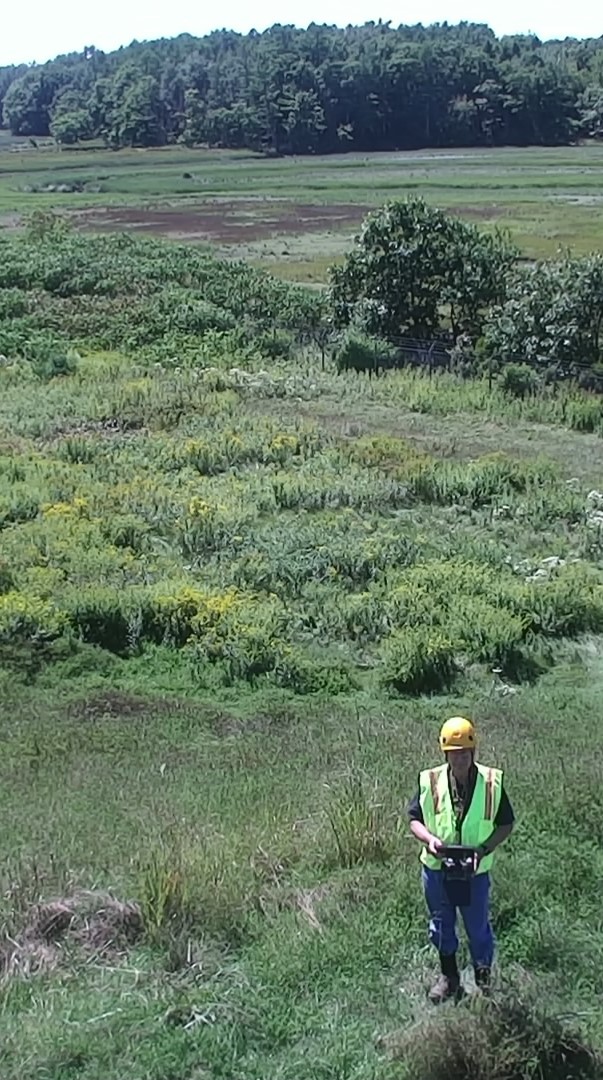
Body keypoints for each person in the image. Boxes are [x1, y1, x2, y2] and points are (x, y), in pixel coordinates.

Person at [407, 716, 514, 1003]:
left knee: (477, 926)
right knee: (441, 924)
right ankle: (449, 978)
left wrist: (484, 849)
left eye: (465, 752)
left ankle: (484, 981)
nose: (460, 759)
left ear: (474, 752)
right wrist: (429, 840)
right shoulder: (430, 781)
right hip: (437, 869)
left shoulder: (492, 783)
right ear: (445, 753)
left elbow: (506, 823)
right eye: (454, 753)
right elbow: (413, 820)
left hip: (475, 871)